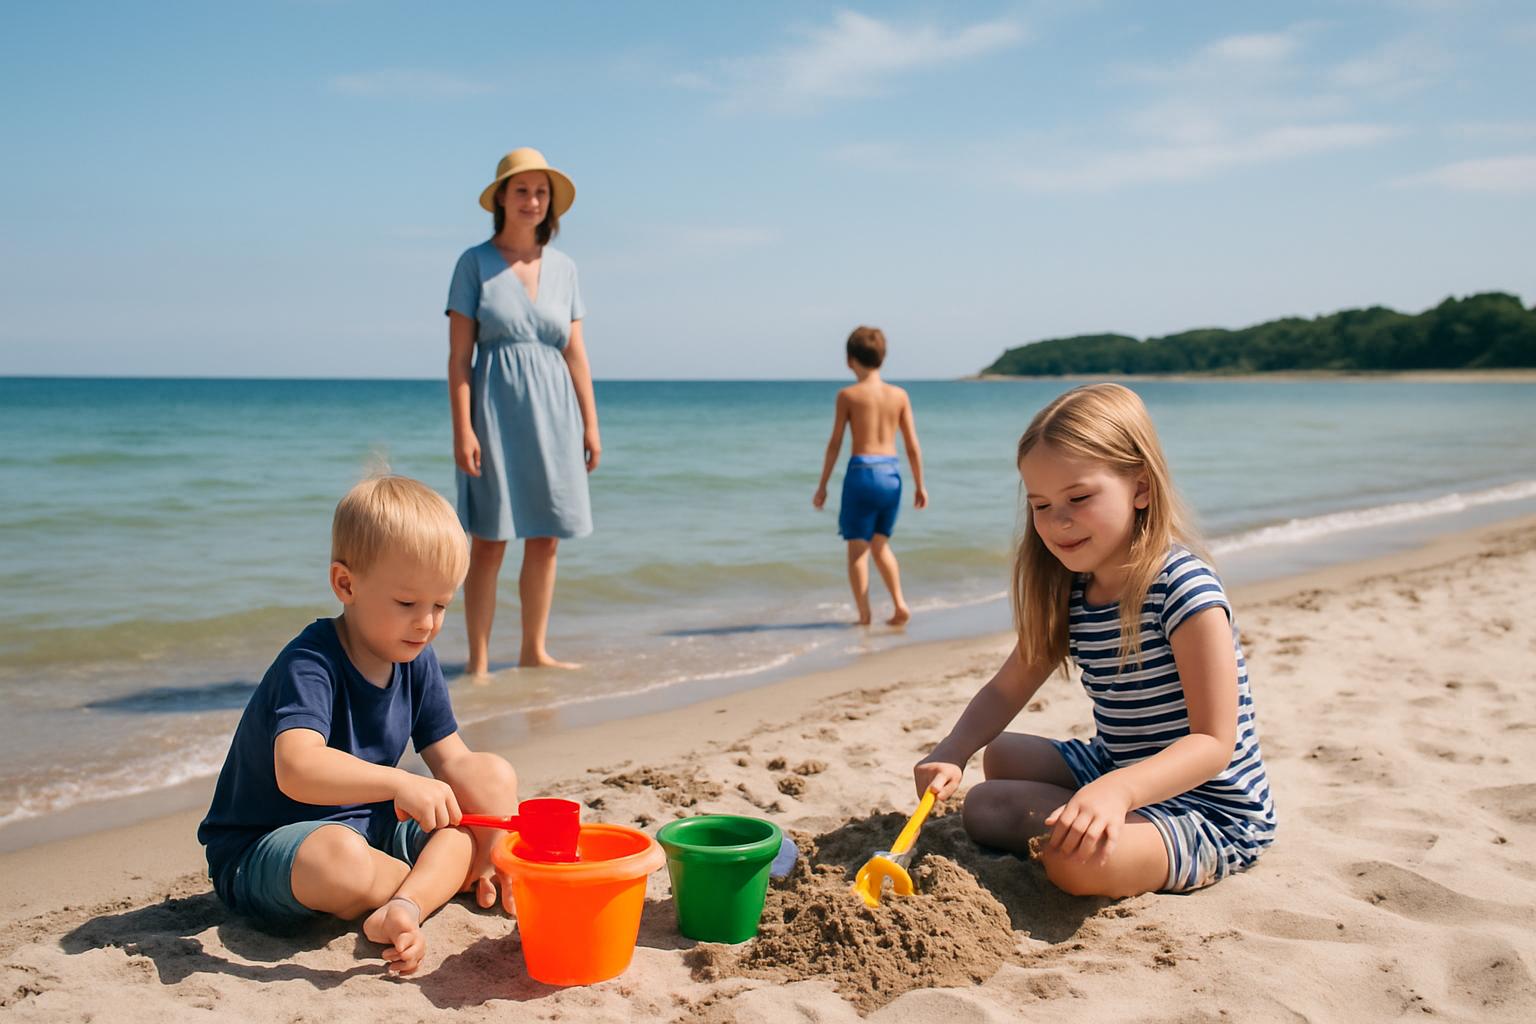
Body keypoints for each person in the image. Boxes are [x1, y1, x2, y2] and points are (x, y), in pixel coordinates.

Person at [915, 383, 1275, 897]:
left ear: (1141, 488)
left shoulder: (1183, 588)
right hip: (1118, 764)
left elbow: (1214, 744)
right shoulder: (1071, 589)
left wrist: (1116, 793)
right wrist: (953, 750)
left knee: (1071, 863)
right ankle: (1100, 819)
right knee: (989, 782)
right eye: (1040, 505)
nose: (1057, 521)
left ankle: (1105, 828)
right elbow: (1008, 687)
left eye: (1078, 498)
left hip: (1208, 804)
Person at [197, 476, 519, 975]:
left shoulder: (416, 659)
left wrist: (495, 836)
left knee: (480, 790)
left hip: (369, 830)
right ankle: (432, 883)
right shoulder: (311, 662)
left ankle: (420, 899)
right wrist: (398, 781)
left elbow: (453, 759)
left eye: (440, 606)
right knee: (339, 858)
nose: (427, 624)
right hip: (269, 845)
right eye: (408, 604)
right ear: (346, 584)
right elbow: (297, 768)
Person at [447, 147, 599, 675]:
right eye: (522, 190)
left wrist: (591, 424)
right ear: (502, 199)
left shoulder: (565, 269)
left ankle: (534, 651)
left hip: (556, 414)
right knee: (488, 542)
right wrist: (462, 428)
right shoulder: (474, 264)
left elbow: (575, 354)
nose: (532, 200)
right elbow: (458, 359)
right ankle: (480, 663)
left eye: (540, 191)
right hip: (494, 413)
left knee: (546, 538)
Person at [812, 326, 928, 626]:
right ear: (882, 357)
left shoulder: (848, 395)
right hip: (892, 474)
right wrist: (920, 485)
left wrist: (822, 484)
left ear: (850, 360)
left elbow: (835, 443)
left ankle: (864, 614)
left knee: (857, 549)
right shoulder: (899, 395)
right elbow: (913, 445)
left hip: (862, 473)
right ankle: (900, 604)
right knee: (880, 544)